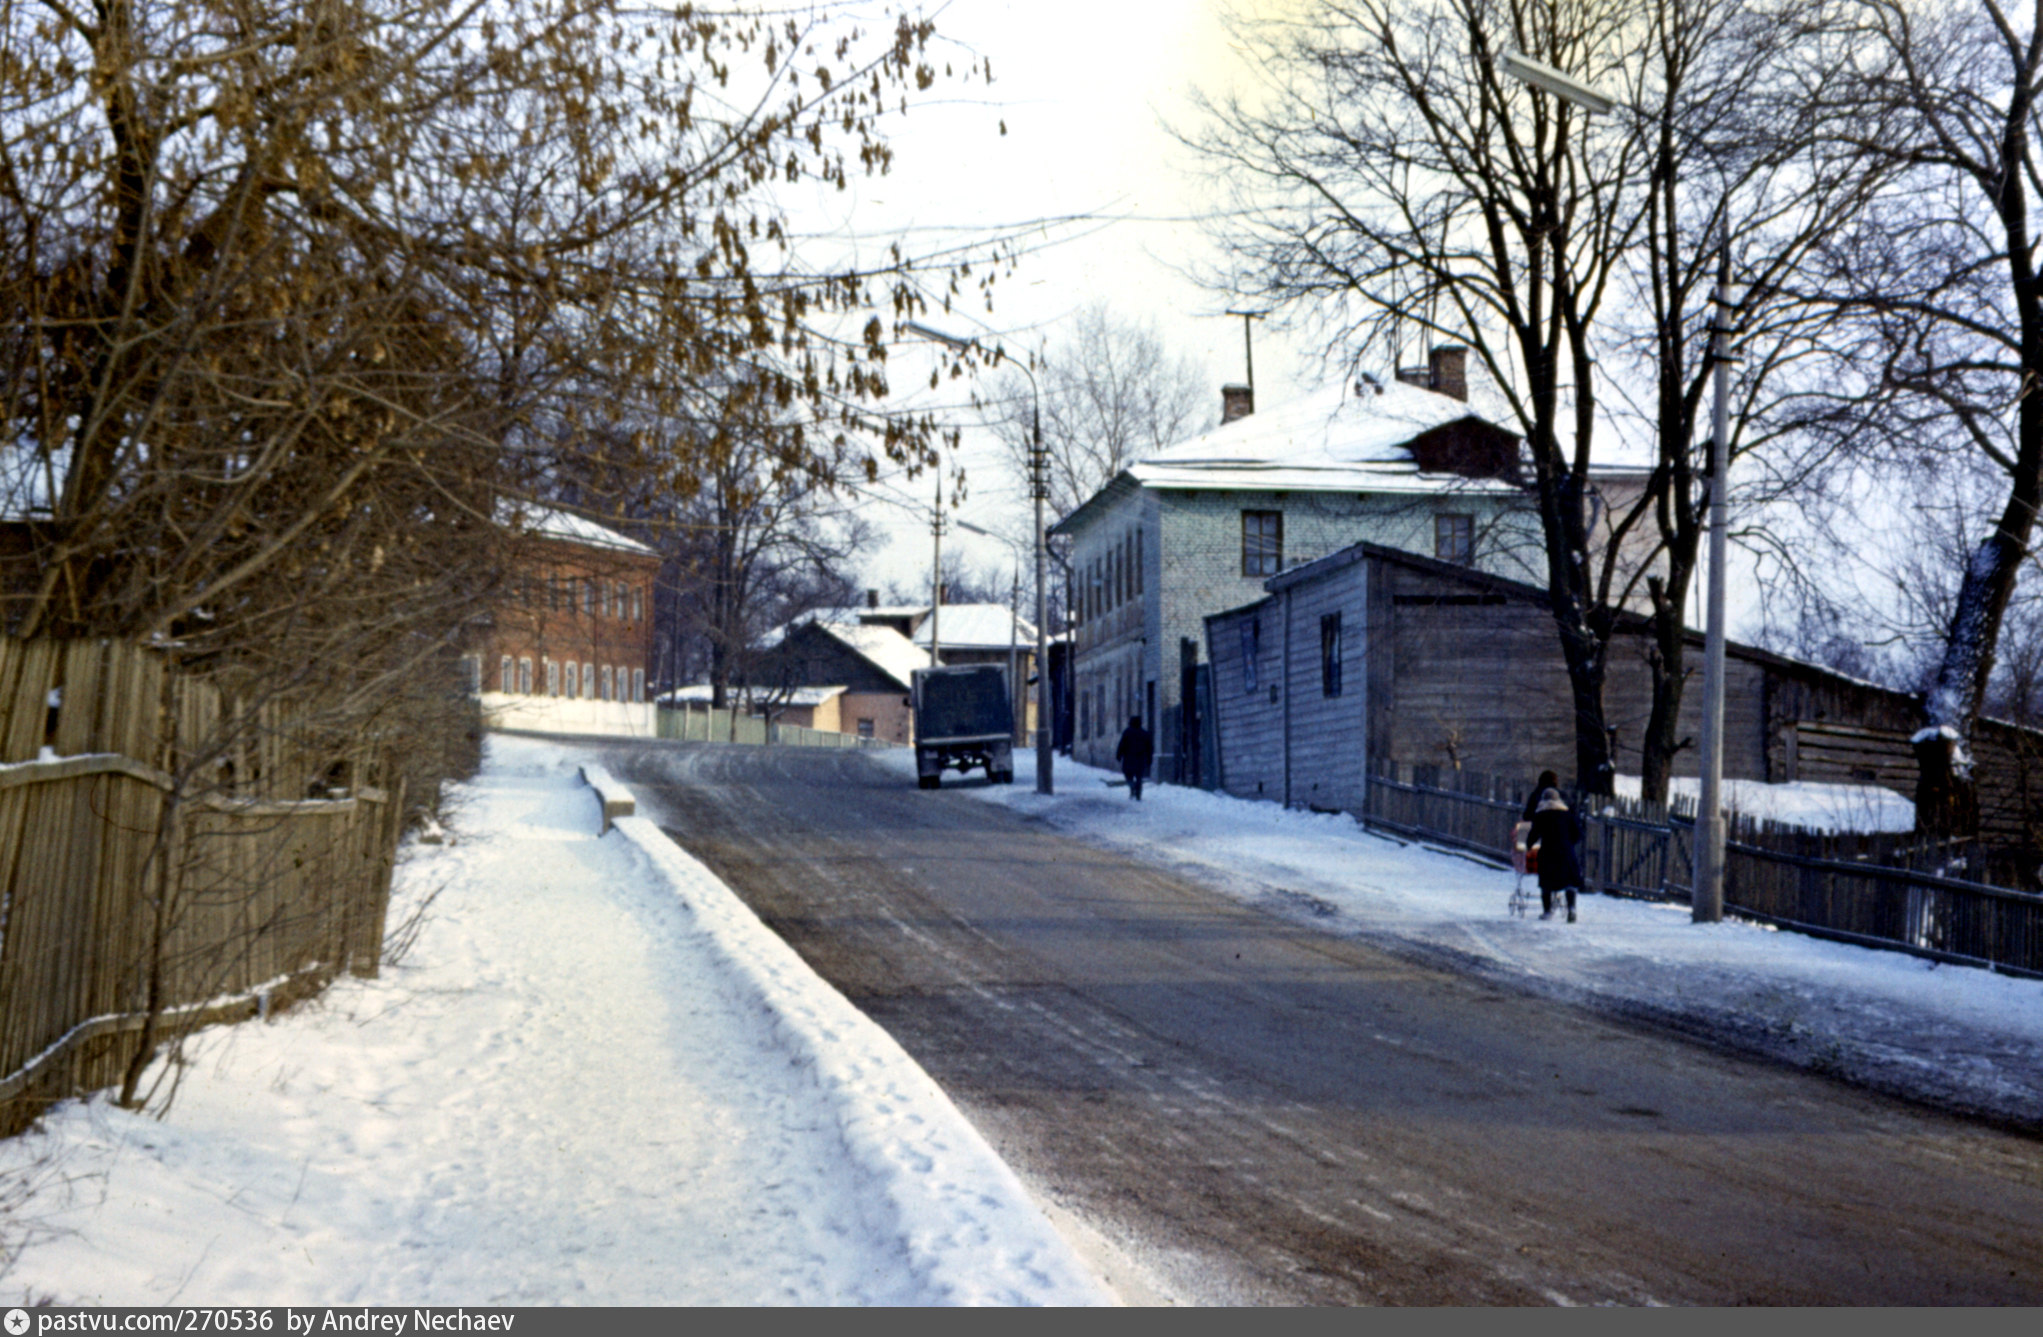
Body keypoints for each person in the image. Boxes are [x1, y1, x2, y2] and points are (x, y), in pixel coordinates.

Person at [1528, 787, 1583, 922]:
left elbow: (1533, 834)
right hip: (1566, 851)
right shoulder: (1567, 814)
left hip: (1548, 851)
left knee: (1546, 881)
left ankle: (1547, 911)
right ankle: (1571, 908)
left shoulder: (1541, 815)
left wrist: (1529, 845)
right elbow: (1578, 833)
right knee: (1570, 881)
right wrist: (1569, 843)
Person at [1115, 714, 1154, 800]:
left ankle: (1132, 786)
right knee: (1139, 777)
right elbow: (1150, 747)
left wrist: (1119, 755)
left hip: (1129, 759)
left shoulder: (1127, 732)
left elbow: (1122, 745)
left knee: (1128, 775)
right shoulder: (1145, 733)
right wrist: (1149, 758)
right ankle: (1138, 794)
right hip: (1141, 759)